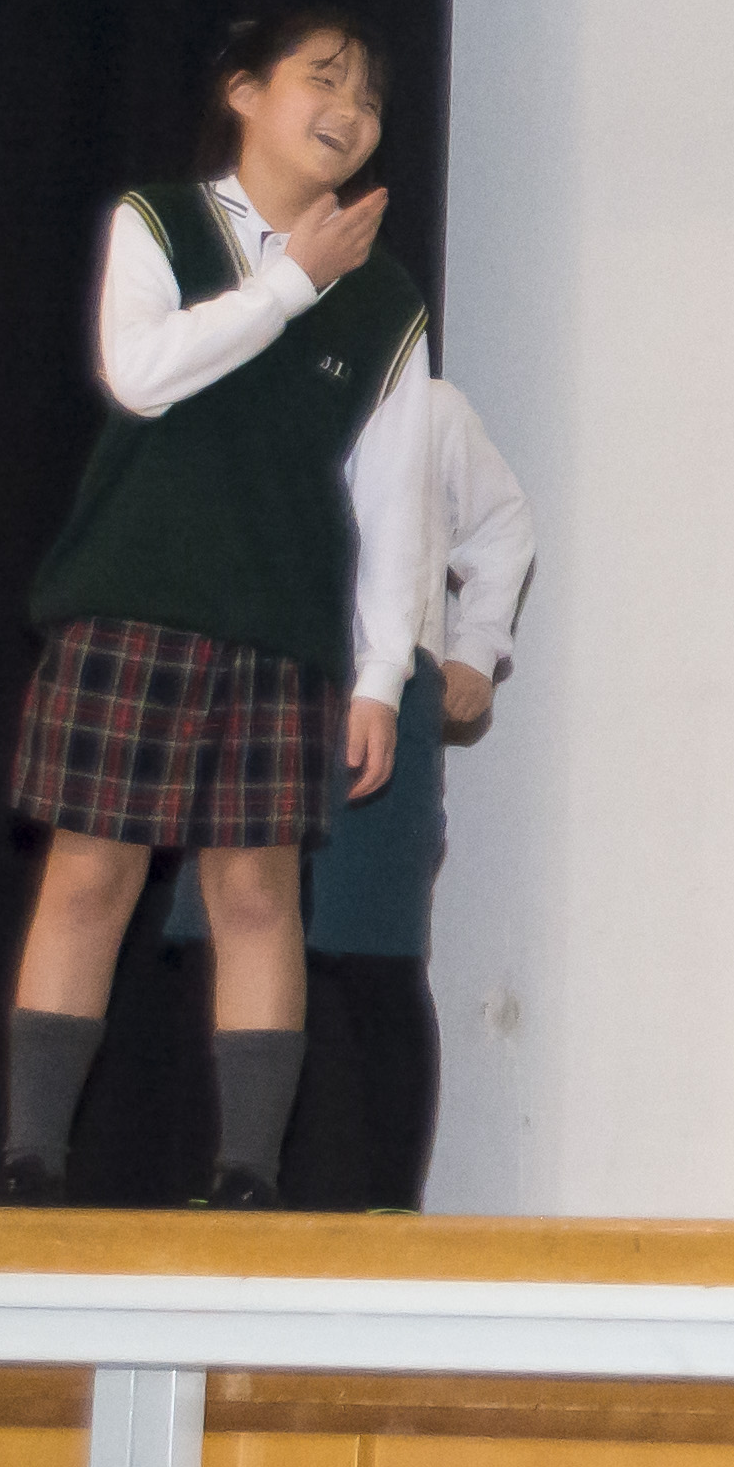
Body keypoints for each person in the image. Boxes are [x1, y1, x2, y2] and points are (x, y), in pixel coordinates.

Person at [0, 11, 433, 1208]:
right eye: (323, 79)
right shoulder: (161, 221)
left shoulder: (388, 296)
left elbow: (396, 500)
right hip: (131, 604)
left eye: (370, 97)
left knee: (256, 893)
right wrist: (291, 282)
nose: (351, 110)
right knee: (89, 876)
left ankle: (247, 1179)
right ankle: (31, 1163)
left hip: (281, 627)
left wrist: (380, 676)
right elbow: (140, 372)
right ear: (244, 91)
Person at [152, 374, 536, 1209]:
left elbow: (503, 523)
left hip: (382, 689)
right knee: (220, 935)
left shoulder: (426, 406)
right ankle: (233, 1178)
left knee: (373, 948)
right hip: (253, 677)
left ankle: (386, 1203)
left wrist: (476, 648)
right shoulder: (250, 382)